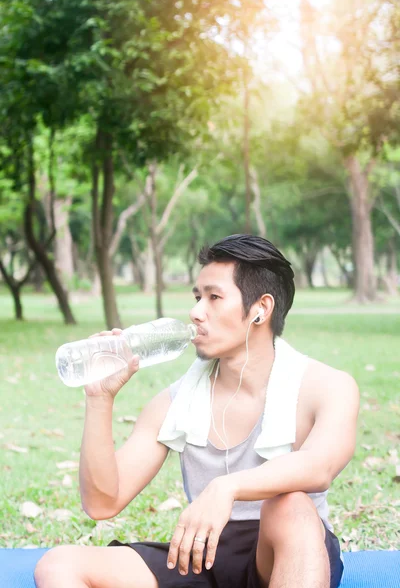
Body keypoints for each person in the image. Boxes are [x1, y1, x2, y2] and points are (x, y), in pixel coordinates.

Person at [34, 233, 359, 588]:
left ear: (260, 309)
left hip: (288, 552)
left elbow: (320, 466)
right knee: (60, 564)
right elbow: (102, 503)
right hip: (204, 555)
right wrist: (99, 400)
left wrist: (227, 488)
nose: (195, 312)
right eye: (197, 296)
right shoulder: (176, 402)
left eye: (214, 297)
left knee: (291, 507)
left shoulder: (327, 386)